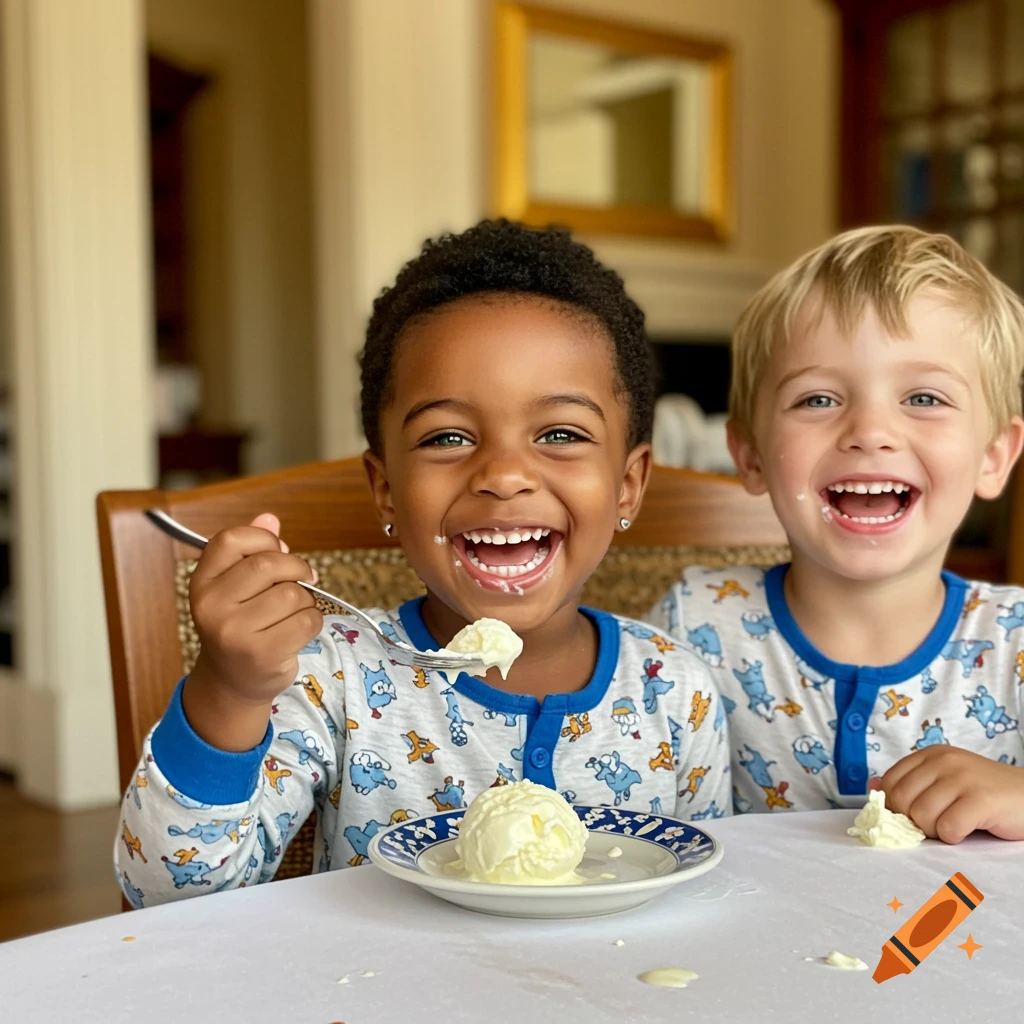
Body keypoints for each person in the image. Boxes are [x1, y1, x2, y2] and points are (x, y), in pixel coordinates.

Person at [114, 220, 730, 906]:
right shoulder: (329, 678)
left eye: (559, 433)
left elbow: (700, 901)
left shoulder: (676, 692)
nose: (503, 474)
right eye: (447, 437)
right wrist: (228, 691)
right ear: (386, 488)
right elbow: (168, 897)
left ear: (628, 484)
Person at [650, 225, 1024, 843]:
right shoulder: (693, 626)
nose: (870, 430)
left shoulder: (1013, 647)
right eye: (818, 400)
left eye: (924, 397)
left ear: (993, 455)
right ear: (750, 456)